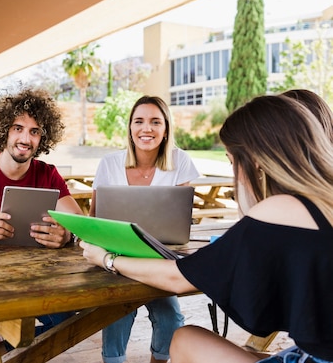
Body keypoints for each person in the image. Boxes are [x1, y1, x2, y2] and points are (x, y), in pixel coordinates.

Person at [80, 95, 333, 363]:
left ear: (257, 160)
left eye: (232, 160)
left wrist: (107, 259)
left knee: (186, 340)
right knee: (199, 340)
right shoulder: (320, 201)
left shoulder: (281, 209)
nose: (233, 169)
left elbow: (179, 278)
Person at [0, 87, 83, 358]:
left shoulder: (48, 174)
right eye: (18, 128)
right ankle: (5, 347)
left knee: (72, 315)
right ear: (4, 131)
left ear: (43, 137)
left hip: (35, 279)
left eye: (34, 131)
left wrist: (66, 236)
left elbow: (79, 223)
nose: (25, 138)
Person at [90, 95, 199, 363]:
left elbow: (180, 221)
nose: (146, 129)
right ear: (130, 127)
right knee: (117, 314)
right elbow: (94, 218)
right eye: (139, 121)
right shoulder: (109, 163)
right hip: (115, 259)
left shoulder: (180, 160)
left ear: (165, 129)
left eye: (155, 122)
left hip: (158, 259)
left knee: (170, 316)